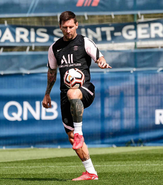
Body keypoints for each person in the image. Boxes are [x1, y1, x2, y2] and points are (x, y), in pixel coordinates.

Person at [42, 11, 111, 181]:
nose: (68, 30)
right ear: (60, 27)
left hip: (84, 90)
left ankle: (80, 132)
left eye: (71, 27)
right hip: (65, 96)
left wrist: (101, 62)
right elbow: (52, 73)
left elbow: (98, 56)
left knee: (73, 92)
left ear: (77, 25)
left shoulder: (84, 41)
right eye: (64, 27)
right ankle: (91, 172)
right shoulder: (54, 48)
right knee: (72, 138)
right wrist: (47, 94)